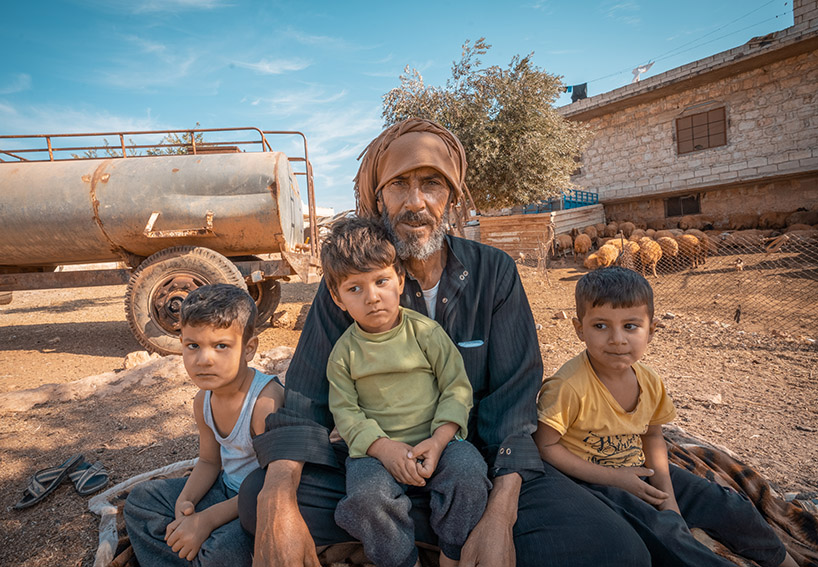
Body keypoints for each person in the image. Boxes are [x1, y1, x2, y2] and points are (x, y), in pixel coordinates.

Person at [239, 117, 651, 566]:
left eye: (431, 184)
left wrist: (500, 514)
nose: (414, 202)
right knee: (257, 498)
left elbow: (515, 405)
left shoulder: (495, 273)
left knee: (618, 550)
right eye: (398, 185)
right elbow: (306, 398)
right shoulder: (350, 282)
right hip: (379, 463)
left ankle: (425, 529)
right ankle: (419, 529)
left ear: (452, 197)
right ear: (379, 198)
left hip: (473, 464)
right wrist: (277, 499)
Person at [534, 266, 796, 567]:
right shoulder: (569, 387)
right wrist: (616, 478)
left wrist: (669, 498)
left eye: (631, 326)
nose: (617, 339)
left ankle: (786, 562)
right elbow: (545, 447)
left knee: (731, 506)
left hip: (639, 469)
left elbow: (652, 436)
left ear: (651, 330)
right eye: (601, 326)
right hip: (591, 482)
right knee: (668, 536)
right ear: (579, 329)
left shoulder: (650, 381)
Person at [322, 216, 490, 567]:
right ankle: (402, 559)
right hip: (375, 453)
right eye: (355, 289)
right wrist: (383, 449)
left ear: (399, 280)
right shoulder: (343, 354)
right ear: (337, 298)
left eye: (381, 281)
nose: (372, 298)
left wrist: (440, 440)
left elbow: (456, 389)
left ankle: (451, 553)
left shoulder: (426, 334)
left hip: (438, 444)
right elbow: (346, 413)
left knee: (470, 473)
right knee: (366, 497)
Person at [124, 284, 284, 566]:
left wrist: (206, 521)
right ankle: (189, 547)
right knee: (140, 501)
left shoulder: (264, 403)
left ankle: (189, 551)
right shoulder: (203, 401)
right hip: (224, 489)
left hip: (258, 504)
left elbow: (275, 485)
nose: (204, 359)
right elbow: (210, 462)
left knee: (221, 552)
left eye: (221, 346)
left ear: (249, 349)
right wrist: (184, 504)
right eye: (193, 346)